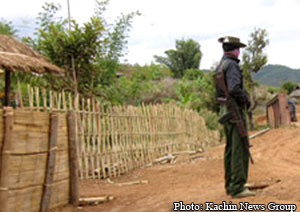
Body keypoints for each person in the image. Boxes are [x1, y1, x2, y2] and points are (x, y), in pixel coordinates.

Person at [215, 36, 255, 198]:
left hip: (225, 110)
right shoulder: (232, 65)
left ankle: (230, 184)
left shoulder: (221, 65)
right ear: (236, 50)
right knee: (239, 148)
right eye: (239, 48)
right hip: (234, 110)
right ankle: (238, 187)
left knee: (230, 148)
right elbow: (234, 89)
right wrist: (245, 98)